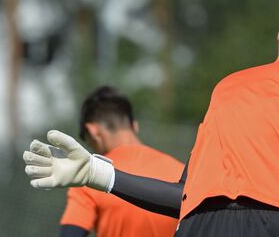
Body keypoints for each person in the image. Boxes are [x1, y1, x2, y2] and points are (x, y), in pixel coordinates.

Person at [24, 0, 279, 237]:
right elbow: (185, 195)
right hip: (198, 226)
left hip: (276, 221)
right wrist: (96, 173)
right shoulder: (229, 84)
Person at [57, 86, 184, 237]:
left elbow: (71, 234)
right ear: (134, 126)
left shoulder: (89, 176)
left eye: (91, 144)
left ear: (94, 132)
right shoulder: (183, 174)